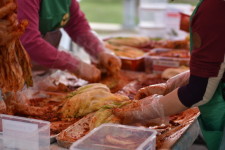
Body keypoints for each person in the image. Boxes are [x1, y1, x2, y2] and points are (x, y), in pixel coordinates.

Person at [113, 0, 225, 149]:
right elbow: (219, 65)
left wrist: (140, 112)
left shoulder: (214, 7)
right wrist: (172, 85)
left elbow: (198, 93)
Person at [17, 0, 121, 82]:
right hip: (14, 71)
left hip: (40, 72)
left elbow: (77, 24)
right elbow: (29, 41)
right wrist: (75, 65)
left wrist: (99, 50)